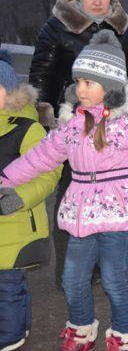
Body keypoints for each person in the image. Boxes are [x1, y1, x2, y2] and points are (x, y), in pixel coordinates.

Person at [0, 31, 128, 351]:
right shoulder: (73, 124)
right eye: (78, 82)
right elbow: (41, 157)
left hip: (119, 209)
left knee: (115, 279)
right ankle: (82, 328)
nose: (80, 89)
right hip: (80, 212)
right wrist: (6, 177)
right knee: (73, 280)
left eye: (89, 82)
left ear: (110, 85)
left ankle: (124, 331)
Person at [28, 0, 128, 289]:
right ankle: (71, 272)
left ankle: (107, 268)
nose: (97, 1)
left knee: (116, 194)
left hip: (116, 123)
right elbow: (43, 73)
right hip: (75, 123)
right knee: (74, 195)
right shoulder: (56, 27)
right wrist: (45, 111)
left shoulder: (122, 27)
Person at [0, 56, 61, 351]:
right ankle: (20, 326)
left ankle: (9, 337)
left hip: (18, 223)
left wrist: (19, 198)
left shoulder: (27, 128)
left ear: (11, 93)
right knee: (10, 284)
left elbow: (50, 173)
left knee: (8, 285)